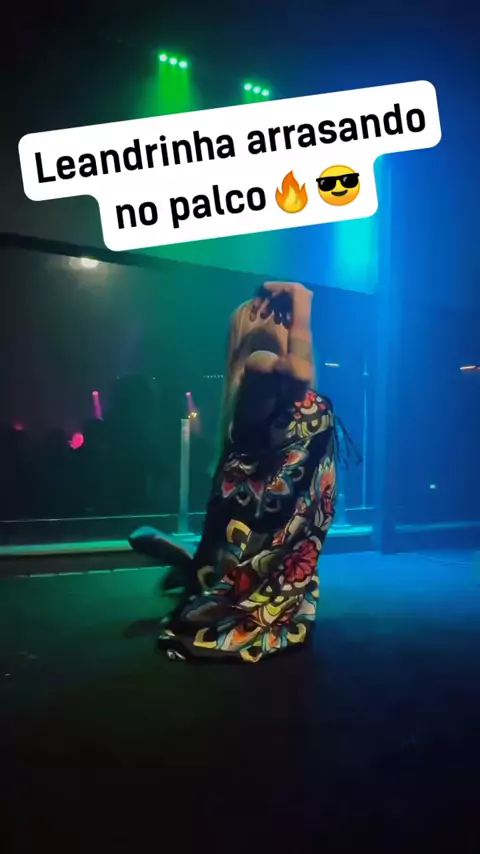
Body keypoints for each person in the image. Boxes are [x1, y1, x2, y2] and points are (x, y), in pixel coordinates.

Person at [131, 281, 337, 663]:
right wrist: (302, 301)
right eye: (285, 320)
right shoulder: (259, 362)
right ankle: (195, 573)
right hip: (254, 522)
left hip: (258, 521)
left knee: (222, 580)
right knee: (228, 592)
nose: (291, 326)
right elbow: (299, 373)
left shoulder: (267, 385)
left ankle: (192, 569)